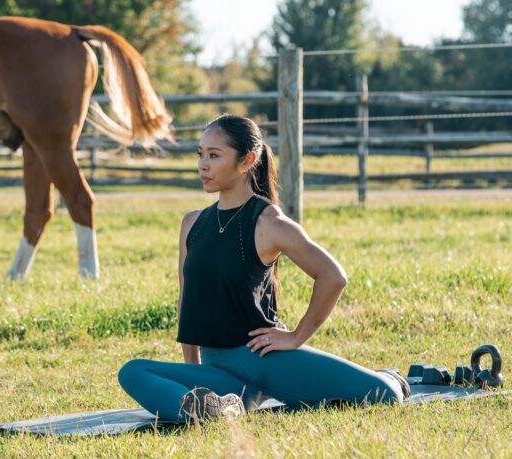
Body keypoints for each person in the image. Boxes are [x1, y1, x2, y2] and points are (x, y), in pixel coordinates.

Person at [117, 114, 409, 423]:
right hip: (219, 374)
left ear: (248, 160)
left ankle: (388, 376)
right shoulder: (192, 223)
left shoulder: (268, 222)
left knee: (384, 395)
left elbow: (333, 276)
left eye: (214, 156)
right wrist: (195, 369)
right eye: (200, 154)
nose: (203, 164)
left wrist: (296, 337)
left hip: (263, 360)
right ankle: (204, 408)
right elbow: (188, 299)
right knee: (133, 371)